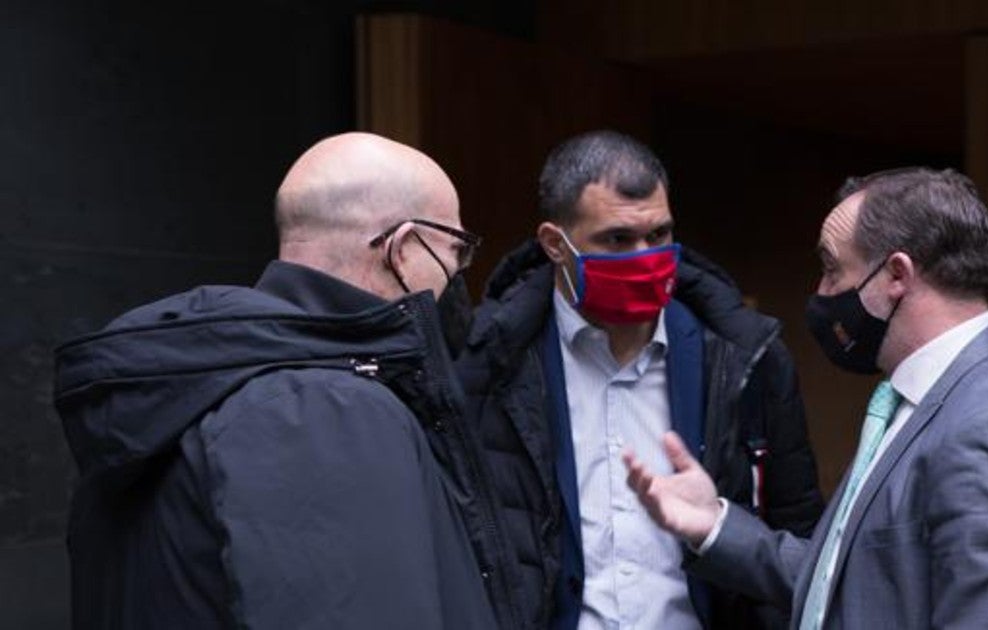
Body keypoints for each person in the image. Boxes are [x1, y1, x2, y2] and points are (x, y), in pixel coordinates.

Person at [624, 167, 988, 628]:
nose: (822, 291)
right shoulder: (922, 400)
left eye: (833, 270)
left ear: (897, 275)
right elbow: (857, 587)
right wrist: (713, 524)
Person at [53, 132, 498, 629]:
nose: (458, 273)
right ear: (403, 247)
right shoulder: (326, 409)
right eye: (456, 249)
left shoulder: (191, 383)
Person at [455, 129, 824, 629]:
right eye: (617, 239)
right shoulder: (488, 365)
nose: (644, 255)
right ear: (554, 244)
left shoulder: (746, 360)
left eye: (659, 235)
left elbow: (799, 537)